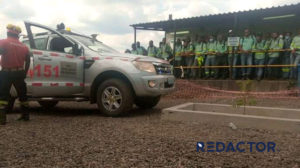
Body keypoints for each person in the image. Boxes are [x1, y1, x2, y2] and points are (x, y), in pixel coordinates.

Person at [0, 24, 31, 125]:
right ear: (18, 35)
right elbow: (28, 60)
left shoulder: (3, 42)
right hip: (19, 72)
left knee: (3, 95)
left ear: (8, 32)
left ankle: (2, 119)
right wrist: (24, 73)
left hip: (6, 72)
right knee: (22, 94)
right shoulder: (24, 46)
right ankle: (25, 116)